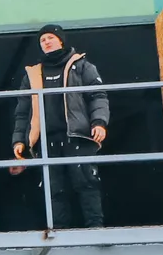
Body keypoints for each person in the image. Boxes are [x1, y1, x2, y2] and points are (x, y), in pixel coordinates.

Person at [9, 24, 109, 227]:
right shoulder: (33, 75)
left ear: (60, 40)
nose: (46, 42)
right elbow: (22, 111)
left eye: (50, 38)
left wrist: (99, 122)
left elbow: (98, 95)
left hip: (77, 135)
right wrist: (19, 140)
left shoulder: (81, 65)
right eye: (42, 40)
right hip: (46, 139)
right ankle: (59, 230)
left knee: (86, 181)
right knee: (54, 187)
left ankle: (95, 226)